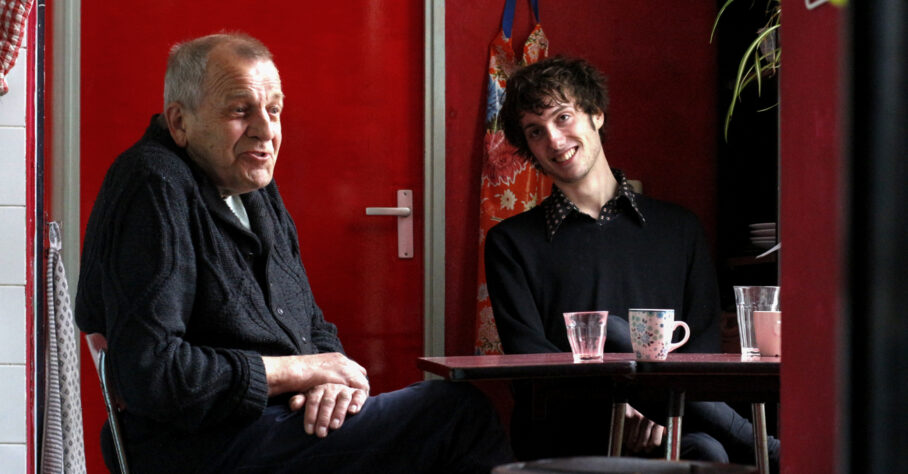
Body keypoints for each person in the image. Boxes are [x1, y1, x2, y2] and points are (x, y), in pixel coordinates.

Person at [75, 33, 513, 474]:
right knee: (456, 415)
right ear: (179, 122)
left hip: (271, 423)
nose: (265, 131)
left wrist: (332, 385)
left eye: (274, 110)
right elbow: (153, 373)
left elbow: (309, 323)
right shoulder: (154, 184)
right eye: (240, 110)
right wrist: (304, 372)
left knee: (449, 411)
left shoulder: (251, 184)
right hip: (197, 445)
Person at [484, 55, 780, 469]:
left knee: (707, 453)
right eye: (536, 131)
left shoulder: (680, 228)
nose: (553, 139)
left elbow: (703, 347)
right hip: (569, 424)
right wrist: (620, 408)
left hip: (678, 415)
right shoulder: (510, 242)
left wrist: (660, 411)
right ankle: (768, 448)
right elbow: (530, 363)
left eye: (563, 117)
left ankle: (755, 445)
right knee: (613, 332)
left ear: (596, 114)